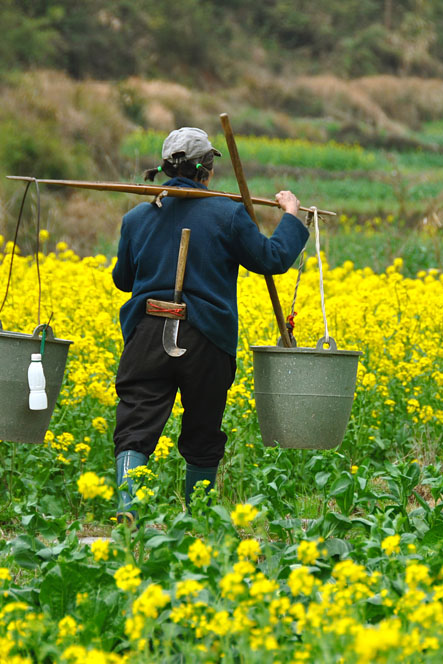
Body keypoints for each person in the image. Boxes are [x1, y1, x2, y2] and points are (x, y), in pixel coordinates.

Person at [111, 127, 309, 523]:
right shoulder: (228, 214)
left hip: (148, 331)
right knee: (203, 428)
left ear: (167, 168)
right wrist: (291, 215)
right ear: (207, 170)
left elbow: (123, 279)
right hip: (206, 336)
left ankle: (128, 508)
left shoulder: (136, 218)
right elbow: (271, 259)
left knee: (136, 420)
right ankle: (196, 516)